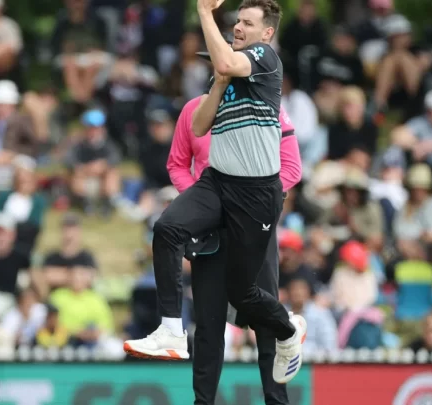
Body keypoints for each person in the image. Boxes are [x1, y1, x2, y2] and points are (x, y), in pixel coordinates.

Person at [123, 0, 306, 384]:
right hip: (219, 183)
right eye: (236, 21)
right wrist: (220, 84)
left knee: (243, 296)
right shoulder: (222, 78)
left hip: (256, 194)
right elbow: (201, 125)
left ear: (266, 33)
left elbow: (292, 167)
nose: (238, 27)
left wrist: (204, 12)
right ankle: (172, 329)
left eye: (247, 22)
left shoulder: (266, 59)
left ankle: (288, 330)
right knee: (167, 227)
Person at [161, 92, 301, 403]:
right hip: (210, 232)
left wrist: (253, 205)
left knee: (263, 324)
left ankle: (277, 399)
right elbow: (178, 165)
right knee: (209, 327)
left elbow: (291, 168)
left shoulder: (269, 107)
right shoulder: (194, 109)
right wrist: (206, 206)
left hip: (254, 227)